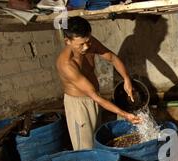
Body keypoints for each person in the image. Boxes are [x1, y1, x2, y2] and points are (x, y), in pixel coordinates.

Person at [57, 16, 141, 150]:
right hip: (79, 105)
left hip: (95, 99)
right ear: (67, 41)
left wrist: (126, 79)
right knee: (85, 147)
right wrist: (125, 114)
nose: (86, 47)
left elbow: (112, 58)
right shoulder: (66, 64)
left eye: (88, 41)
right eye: (81, 44)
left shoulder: (90, 43)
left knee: (98, 139)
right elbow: (95, 96)